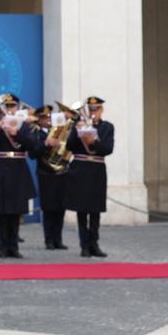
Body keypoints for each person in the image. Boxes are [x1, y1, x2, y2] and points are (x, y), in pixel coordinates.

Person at [0, 94, 37, 258]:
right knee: (2, 212)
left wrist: (17, 133)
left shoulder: (24, 126)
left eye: (13, 106)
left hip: (18, 171)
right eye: (7, 107)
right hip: (0, 171)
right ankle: (3, 247)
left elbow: (32, 145)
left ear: (17, 108)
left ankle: (14, 247)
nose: (10, 109)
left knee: (16, 211)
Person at [66, 96, 114, 257]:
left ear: (101, 110)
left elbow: (108, 149)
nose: (93, 112)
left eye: (96, 109)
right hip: (80, 169)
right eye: (91, 109)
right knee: (82, 210)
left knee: (95, 209)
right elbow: (69, 146)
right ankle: (84, 246)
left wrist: (92, 141)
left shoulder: (107, 127)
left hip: (97, 170)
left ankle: (94, 243)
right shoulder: (79, 125)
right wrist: (77, 132)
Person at [31, 104, 69, 250]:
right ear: (39, 120)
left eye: (49, 117)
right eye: (44, 118)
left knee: (61, 208)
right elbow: (33, 153)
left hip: (61, 173)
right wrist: (46, 144)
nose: (47, 120)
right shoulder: (36, 133)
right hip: (46, 175)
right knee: (49, 208)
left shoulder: (60, 132)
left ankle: (58, 239)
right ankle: (49, 240)